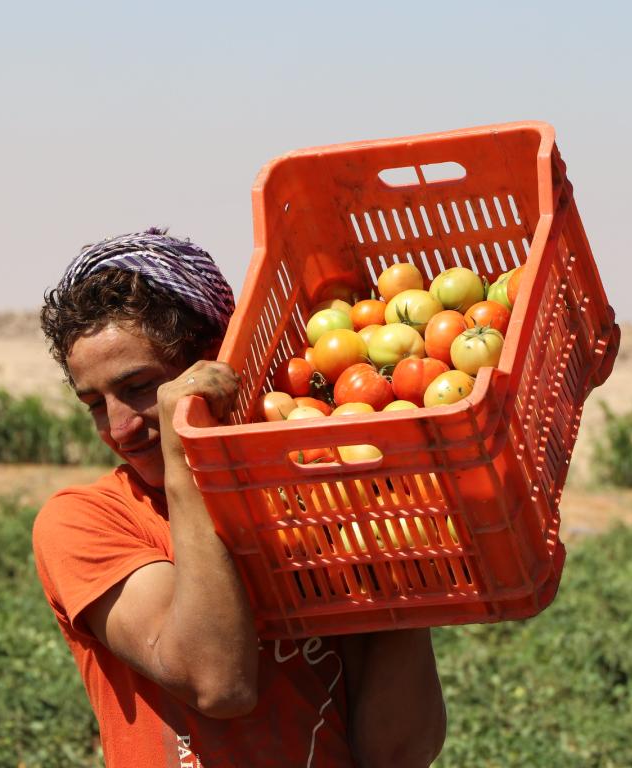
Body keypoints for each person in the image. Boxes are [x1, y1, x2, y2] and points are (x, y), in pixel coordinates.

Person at [33, 227, 447, 767]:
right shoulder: (87, 522)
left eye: (138, 388)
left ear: (213, 365)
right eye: (94, 403)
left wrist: (400, 572)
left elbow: (395, 754)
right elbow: (218, 682)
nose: (118, 428)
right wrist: (187, 459)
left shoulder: (311, 505)